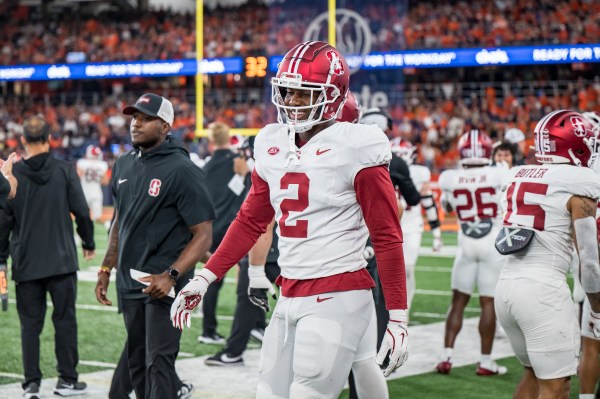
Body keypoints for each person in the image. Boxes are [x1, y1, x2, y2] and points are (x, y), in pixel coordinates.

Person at [171, 41, 409, 398]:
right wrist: (205, 279)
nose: (292, 101)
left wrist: (399, 316)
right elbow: (251, 220)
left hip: (338, 291)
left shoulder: (358, 145)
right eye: (287, 91)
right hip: (290, 290)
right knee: (267, 393)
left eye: (303, 93)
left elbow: (387, 236)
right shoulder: (272, 141)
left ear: (333, 95)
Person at [94, 93, 215, 399]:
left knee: (159, 363)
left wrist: (171, 274)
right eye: (135, 117)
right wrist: (107, 267)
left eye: (146, 119)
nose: (136, 124)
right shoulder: (123, 164)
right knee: (137, 364)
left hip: (165, 284)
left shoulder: (183, 169)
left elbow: (203, 234)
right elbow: (119, 223)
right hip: (129, 283)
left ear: (165, 126)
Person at [494, 109, 600, 399]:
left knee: (532, 376)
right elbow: (589, 262)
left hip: (506, 288)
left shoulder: (516, 173)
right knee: (556, 386)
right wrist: (597, 309)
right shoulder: (580, 180)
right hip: (543, 291)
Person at [0, 115, 95, 398]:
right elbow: (81, 210)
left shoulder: (12, 174)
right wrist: (88, 241)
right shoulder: (65, 170)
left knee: (30, 326)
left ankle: (31, 384)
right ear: (49, 139)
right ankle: (67, 380)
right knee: (65, 321)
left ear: (23, 142)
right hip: (62, 261)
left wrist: (1, 259)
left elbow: (3, 222)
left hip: (27, 262)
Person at [436, 129, 509, 376]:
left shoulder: (449, 177)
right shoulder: (499, 172)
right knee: (487, 302)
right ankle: (486, 361)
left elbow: (446, 207)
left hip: (466, 244)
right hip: (492, 245)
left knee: (458, 302)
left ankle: (446, 357)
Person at [198, 121, 252, 345]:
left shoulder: (204, 167)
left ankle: (208, 330)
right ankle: (254, 326)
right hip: (236, 228)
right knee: (251, 275)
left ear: (210, 141)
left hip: (211, 228)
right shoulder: (238, 163)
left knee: (212, 280)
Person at [390, 136, 442, 309]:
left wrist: (436, 232)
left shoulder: (420, 172)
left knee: (407, 269)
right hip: (390, 225)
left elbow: (427, 200)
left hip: (411, 226)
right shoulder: (383, 168)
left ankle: (405, 308)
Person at [76, 144, 109, 223]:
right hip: (97, 193)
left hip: (84, 193)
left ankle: (80, 234)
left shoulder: (82, 163)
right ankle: (107, 227)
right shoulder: (103, 165)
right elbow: (106, 181)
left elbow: (77, 178)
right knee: (97, 218)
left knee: (82, 217)